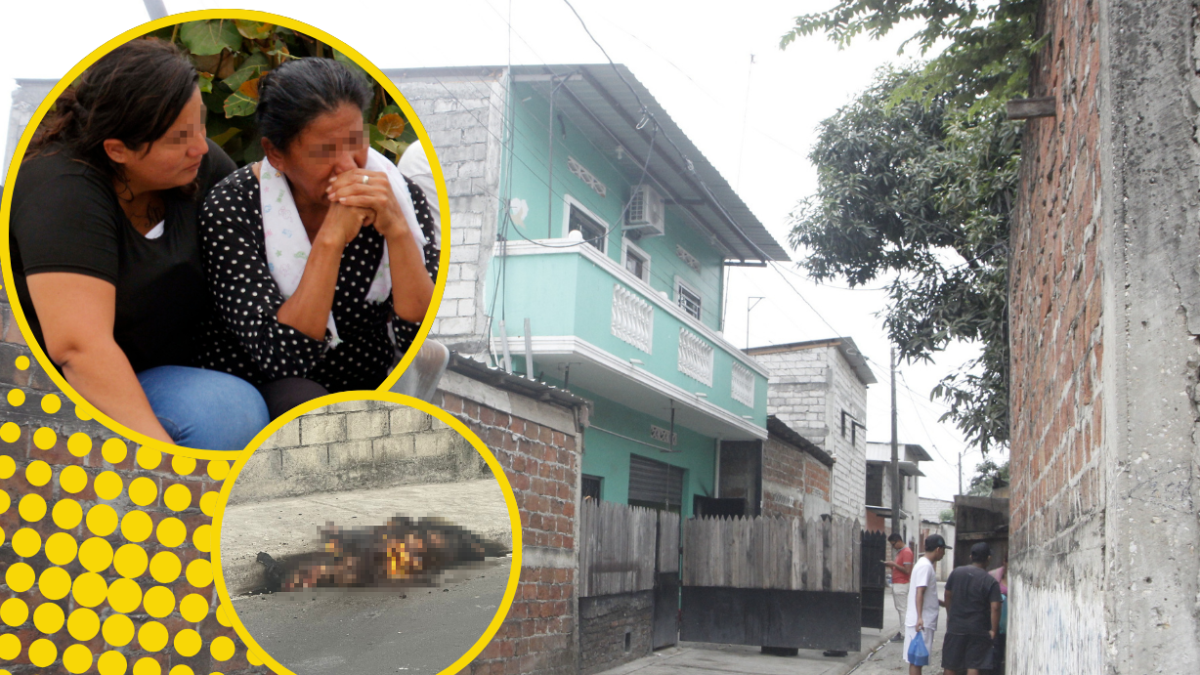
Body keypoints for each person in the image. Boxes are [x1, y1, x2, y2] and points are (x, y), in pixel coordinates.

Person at [8, 38, 269, 450]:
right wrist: (169, 467)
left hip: (172, 368)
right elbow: (79, 350)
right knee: (226, 413)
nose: (200, 145)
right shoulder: (61, 192)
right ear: (118, 149)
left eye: (199, 123)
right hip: (56, 392)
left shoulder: (199, 165)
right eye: (177, 138)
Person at [197, 57, 438, 419]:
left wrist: (398, 229)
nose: (348, 166)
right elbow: (284, 357)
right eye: (326, 151)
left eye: (356, 142)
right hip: (261, 387)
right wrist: (330, 240)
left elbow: (416, 335)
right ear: (276, 154)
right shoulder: (232, 209)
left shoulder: (398, 195)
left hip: (365, 384)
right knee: (307, 405)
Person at [941, 542, 1002, 675]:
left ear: (970, 556)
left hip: (956, 627)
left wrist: (950, 616)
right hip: (978, 629)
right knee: (974, 664)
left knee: (950, 664)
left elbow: (947, 594)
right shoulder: (990, 580)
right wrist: (993, 630)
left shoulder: (956, 573)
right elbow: (996, 607)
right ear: (989, 558)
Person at [904, 533, 949, 675]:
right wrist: (919, 618)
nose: (943, 554)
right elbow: (920, 592)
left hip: (919, 620)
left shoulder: (923, 564)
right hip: (921, 622)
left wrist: (941, 603)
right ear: (938, 550)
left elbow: (926, 594)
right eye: (943, 550)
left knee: (916, 659)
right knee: (917, 660)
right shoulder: (926, 567)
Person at [884, 532, 914, 641]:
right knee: (901, 609)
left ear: (899, 541)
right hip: (898, 582)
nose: (893, 547)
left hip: (902, 583)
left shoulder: (906, 552)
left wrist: (894, 564)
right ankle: (903, 631)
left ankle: (904, 633)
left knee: (902, 610)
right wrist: (892, 566)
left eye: (893, 544)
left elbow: (907, 570)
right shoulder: (900, 552)